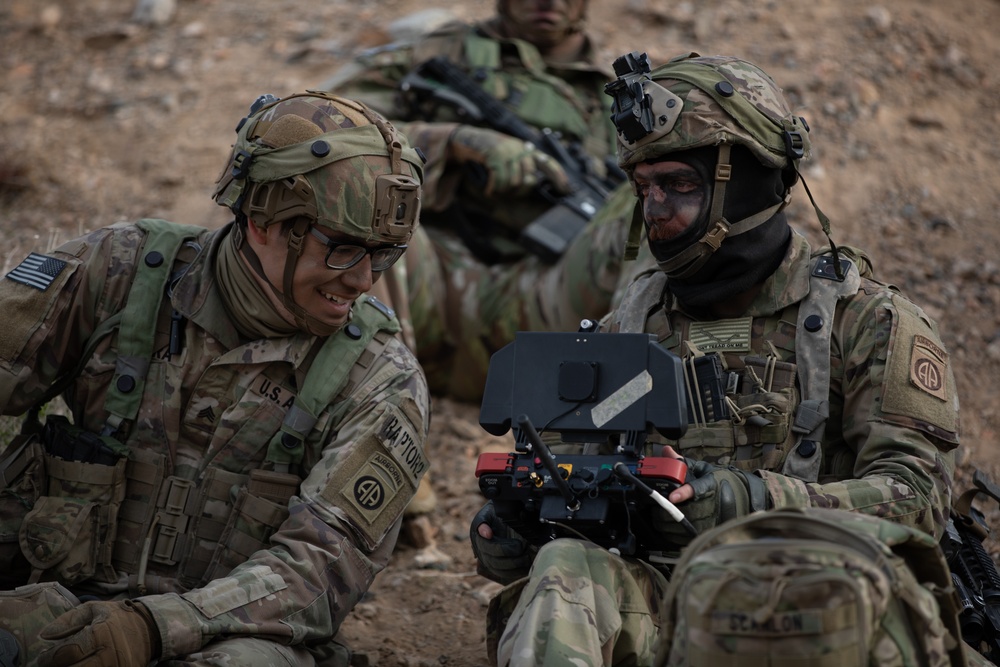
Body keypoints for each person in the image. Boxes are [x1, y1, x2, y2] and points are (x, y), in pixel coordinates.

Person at [470, 53, 965, 666]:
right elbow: (589, 482)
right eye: (643, 189)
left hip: (810, 601)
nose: (653, 211)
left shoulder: (867, 321)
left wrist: (742, 501)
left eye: (679, 185)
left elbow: (916, 500)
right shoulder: (636, 318)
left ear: (748, 184)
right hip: (665, 606)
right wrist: (524, 523)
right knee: (563, 568)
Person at [0, 91, 430, 666]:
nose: (361, 281)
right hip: (53, 601)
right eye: (345, 249)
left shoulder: (379, 378)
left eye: (382, 256)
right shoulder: (118, 273)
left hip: (232, 638)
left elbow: (319, 570)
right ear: (262, 221)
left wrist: (149, 629)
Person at [321, 0, 652, 401]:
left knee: (654, 209)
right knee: (356, 186)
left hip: (546, 309)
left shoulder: (619, 103)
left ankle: (632, 425)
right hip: (426, 284)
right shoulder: (436, 53)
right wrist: (456, 142)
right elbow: (320, 128)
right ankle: (364, 416)